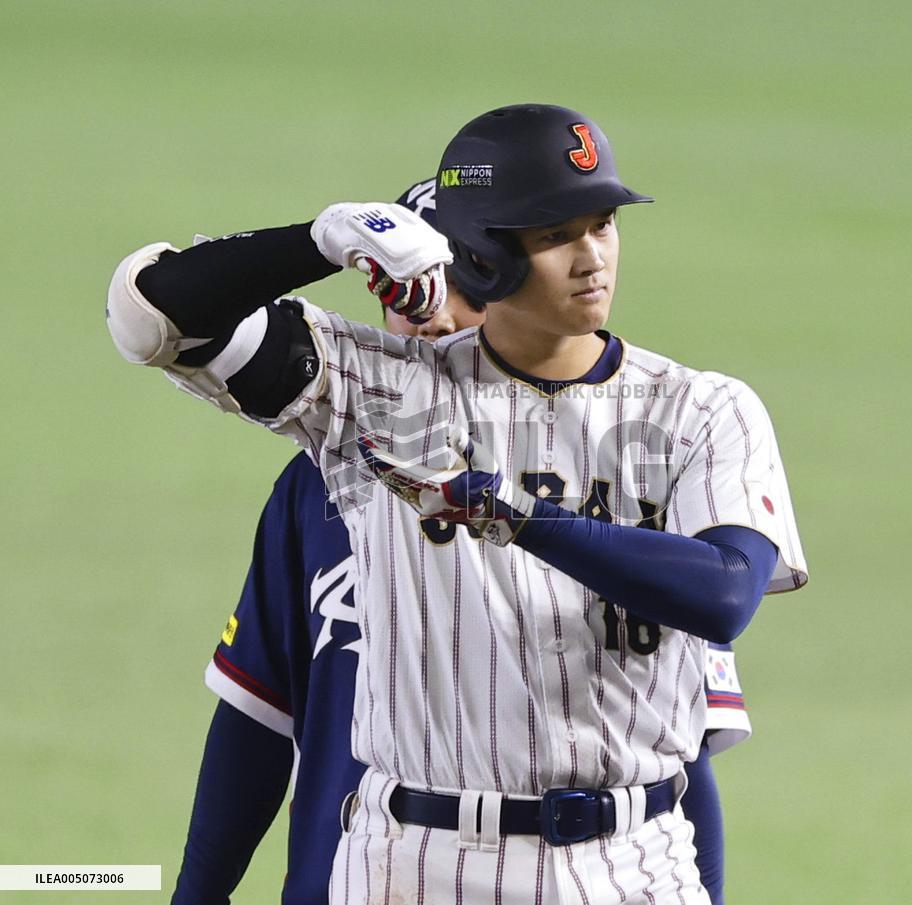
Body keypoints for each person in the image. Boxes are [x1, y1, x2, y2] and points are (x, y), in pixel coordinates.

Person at [109, 104, 807, 904]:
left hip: (635, 861)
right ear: (482, 258)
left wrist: (514, 515)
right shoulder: (380, 393)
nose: (592, 259)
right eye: (555, 235)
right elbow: (150, 317)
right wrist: (319, 239)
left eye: (602, 225)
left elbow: (723, 594)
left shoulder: (702, 411)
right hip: (415, 862)